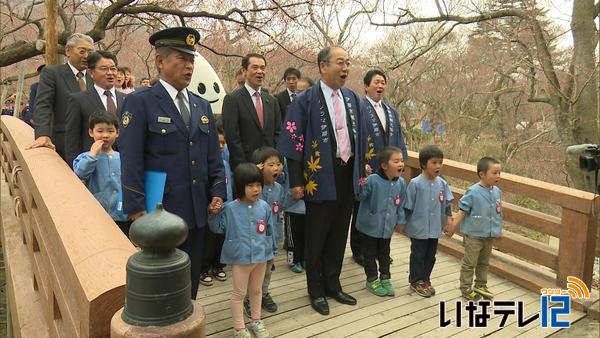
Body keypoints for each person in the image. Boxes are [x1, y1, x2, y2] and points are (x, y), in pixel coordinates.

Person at [118, 27, 226, 299]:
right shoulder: (139, 102)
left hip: (197, 209)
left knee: (190, 281)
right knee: (162, 285)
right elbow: (130, 159)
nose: (189, 66)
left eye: (192, 60)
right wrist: (136, 208)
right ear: (160, 61)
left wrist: (217, 192)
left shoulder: (202, 107)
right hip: (158, 213)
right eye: (181, 59)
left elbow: (213, 156)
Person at [277, 46, 362, 315]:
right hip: (318, 176)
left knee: (338, 235)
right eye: (340, 63)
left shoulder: (352, 98)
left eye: (348, 63)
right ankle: (315, 290)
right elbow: (292, 142)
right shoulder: (305, 100)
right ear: (323, 66)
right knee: (317, 237)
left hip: (347, 174)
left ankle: (332, 284)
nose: (345, 68)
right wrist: (296, 181)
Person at [208, 163, 276, 338]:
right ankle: (239, 328)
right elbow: (217, 228)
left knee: (256, 290)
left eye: (258, 185)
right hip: (240, 258)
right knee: (238, 294)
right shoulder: (229, 208)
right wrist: (214, 214)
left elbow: (269, 231)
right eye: (250, 185)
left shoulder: (265, 207)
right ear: (239, 186)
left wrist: (271, 253)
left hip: (261, 257)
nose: (256, 189)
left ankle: (256, 321)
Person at [352, 69, 409, 266]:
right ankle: (359, 249)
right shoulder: (358, 108)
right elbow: (355, 139)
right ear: (366, 86)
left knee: (385, 207)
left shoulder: (391, 111)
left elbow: (399, 139)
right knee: (363, 207)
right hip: (369, 168)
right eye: (376, 82)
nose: (380, 86)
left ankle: (380, 249)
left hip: (389, 170)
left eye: (383, 82)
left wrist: (402, 161)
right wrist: (361, 163)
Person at [242, 146, 300, 315]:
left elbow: (281, 205)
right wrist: (253, 173)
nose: (276, 168)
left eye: (278, 164)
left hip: (272, 238)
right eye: (271, 165)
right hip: (253, 240)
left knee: (267, 269)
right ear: (259, 167)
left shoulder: (278, 188)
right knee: (251, 271)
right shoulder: (252, 189)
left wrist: (293, 196)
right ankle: (247, 298)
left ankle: (263, 293)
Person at [26, 33, 95, 160]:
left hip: (93, 145)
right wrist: (43, 134)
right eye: (82, 51)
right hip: (63, 143)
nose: (86, 56)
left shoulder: (95, 77)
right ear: (68, 51)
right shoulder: (53, 73)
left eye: (90, 52)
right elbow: (43, 105)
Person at [444, 157, 503, 301]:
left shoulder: (497, 192)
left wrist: (498, 230)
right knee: (470, 263)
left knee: (484, 262)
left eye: (499, 173)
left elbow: (498, 212)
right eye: (494, 173)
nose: (498, 176)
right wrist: (452, 227)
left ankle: (480, 285)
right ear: (482, 174)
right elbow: (462, 210)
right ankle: (466, 288)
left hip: (488, 235)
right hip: (474, 235)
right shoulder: (473, 191)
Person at [356, 146, 406, 297]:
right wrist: (361, 183)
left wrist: (401, 220)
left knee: (385, 253)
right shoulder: (373, 180)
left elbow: (402, 203)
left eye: (402, 161)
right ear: (384, 166)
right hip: (370, 225)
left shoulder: (401, 183)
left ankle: (385, 277)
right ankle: (371, 279)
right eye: (396, 161)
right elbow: (360, 197)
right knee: (369, 253)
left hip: (387, 227)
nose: (401, 164)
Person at [403, 145, 453, 297]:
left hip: (435, 228)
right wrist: (400, 222)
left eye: (440, 162)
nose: (438, 166)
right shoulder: (415, 183)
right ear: (424, 164)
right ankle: (416, 281)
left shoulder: (442, 184)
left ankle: (426, 279)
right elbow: (408, 206)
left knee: (431, 255)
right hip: (419, 227)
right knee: (418, 255)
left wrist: (449, 221)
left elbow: (447, 204)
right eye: (434, 162)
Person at [222, 53, 282, 171]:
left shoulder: (272, 101)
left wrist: (274, 162)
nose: (260, 71)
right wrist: (246, 167)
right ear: (244, 71)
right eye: (255, 67)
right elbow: (232, 137)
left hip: (270, 169)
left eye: (263, 68)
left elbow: (277, 133)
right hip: (245, 169)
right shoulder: (233, 99)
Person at [65, 51, 126, 167]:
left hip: (122, 168)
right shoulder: (78, 100)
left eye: (113, 69)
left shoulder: (127, 99)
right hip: (92, 170)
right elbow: (71, 141)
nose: (110, 73)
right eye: (104, 69)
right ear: (91, 72)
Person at [73, 111, 129, 235]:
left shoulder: (123, 158)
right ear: (91, 132)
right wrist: (93, 155)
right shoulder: (85, 157)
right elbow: (79, 173)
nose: (105, 135)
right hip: (97, 213)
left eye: (110, 131)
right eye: (100, 131)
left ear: (117, 133)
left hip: (122, 213)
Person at [199, 118, 231, 287]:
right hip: (210, 209)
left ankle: (218, 265)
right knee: (208, 239)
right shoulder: (205, 164)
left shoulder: (226, 163)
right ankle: (203, 268)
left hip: (225, 208)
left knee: (221, 238)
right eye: (217, 142)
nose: (220, 146)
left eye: (222, 143)